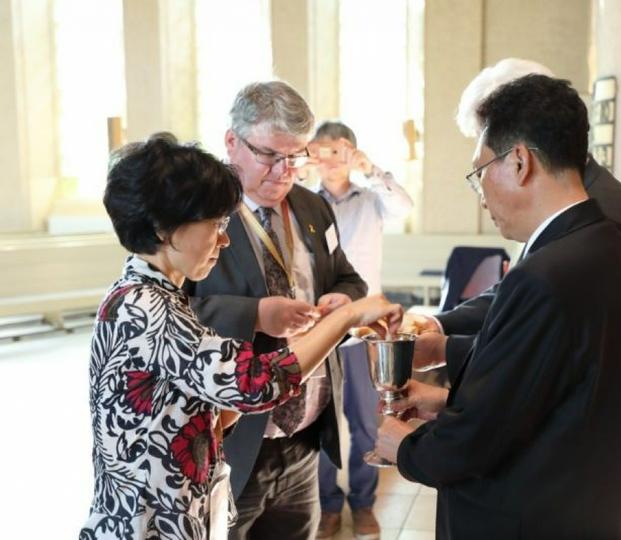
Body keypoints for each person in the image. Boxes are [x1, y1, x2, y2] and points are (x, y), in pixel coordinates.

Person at [376, 74, 621, 538]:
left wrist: (403, 447)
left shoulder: (545, 274)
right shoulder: (611, 245)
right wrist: (449, 396)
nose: (482, 192)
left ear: (520, 161)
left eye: (479, 172)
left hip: (537, 515)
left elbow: (476, 442)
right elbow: (563, 386)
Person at [80, 138, 402, 540]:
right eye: (215, 225)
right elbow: (257, 383)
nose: (225, 239)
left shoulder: (154, 294)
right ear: (164, 229)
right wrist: (348, 316)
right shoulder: (145, 307)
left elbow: (194, 406)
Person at [184, 81, 368, 540]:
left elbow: (348, 277)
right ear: (232, 143)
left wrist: (341, 299)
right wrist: (257, 315)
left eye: (297, 156)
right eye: (270, 155)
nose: (286, 171)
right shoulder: (196, 212)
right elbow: (170, 311)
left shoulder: (312, 207)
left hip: (304, 438)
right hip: (234, 441)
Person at [308, 121, 413, 538]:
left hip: (365, 331)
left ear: (350, 151)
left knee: (366, 423)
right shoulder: (302, 202)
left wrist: (373, 170)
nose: (327, 160)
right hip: (319, 328)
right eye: (320, 151)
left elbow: (404, 207)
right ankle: (329, 505)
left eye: (337, 151)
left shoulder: (371, 199)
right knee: (320, 422)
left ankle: (364, 503)